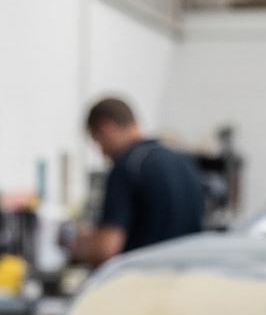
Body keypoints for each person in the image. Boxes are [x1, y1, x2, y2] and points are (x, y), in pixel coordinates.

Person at [72, 96, 206, 267]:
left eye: (98, 142)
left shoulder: (128, 167)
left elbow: (106, 250)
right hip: (185, 278)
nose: (102, 152)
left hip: (144, 281)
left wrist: (77, 247)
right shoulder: (184, 163)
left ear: (107, 128)